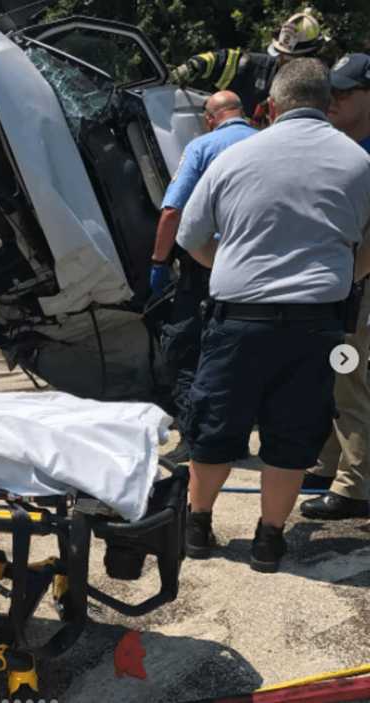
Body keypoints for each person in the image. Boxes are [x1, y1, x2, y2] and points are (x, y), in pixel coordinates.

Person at [175, 58, 370, 573]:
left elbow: (190, 236)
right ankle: (269, 540)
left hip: (238, 318)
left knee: (215, 428)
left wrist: (231, 266)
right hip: (318, 323)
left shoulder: (233, 158)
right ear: (327, 103)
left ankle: (197, 527)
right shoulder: (357, 162)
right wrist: (347, 274)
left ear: (272, 105)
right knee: (292, 435)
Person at [150, 91, 256, 464]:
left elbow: (172, 211)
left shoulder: (203, 146)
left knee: (185, 349)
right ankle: (236, 439)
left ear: (210, 118)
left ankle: (193, 440)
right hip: (261, 267)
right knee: (242, 353)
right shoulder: (266, 141)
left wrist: (159, 263)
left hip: (209, 266)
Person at [300, 53, 370, 520]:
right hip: (346, 280)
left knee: (351, 376)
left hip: (359, 282)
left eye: (344, 94)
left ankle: (356, 486)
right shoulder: (348, 146)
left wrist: (349, 280)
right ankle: (331, 462)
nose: (333, 101)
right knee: (334, 370)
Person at [170, 11, 323, 125]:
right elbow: (221, 60)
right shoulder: (256, 67)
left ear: (310, 56)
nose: (283, 61)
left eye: (290, 58)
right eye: (280, 54)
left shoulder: (323, 90)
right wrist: (193, 67)